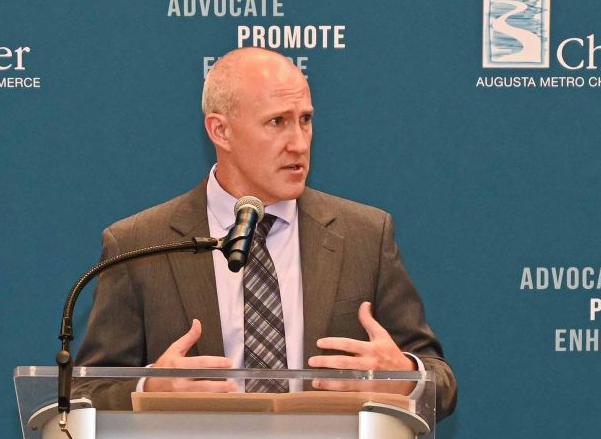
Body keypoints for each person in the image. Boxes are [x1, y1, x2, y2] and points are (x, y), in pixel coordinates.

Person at [74, 47, 457, 419]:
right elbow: (84, 394)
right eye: (277, 122)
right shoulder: (140, 243)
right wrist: (147, 391)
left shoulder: (365, 235)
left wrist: (404, 379)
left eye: (305, 120)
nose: (299, 143)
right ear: (220, 130)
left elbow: (442, 384)